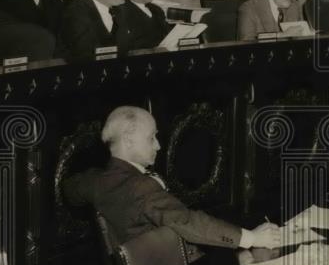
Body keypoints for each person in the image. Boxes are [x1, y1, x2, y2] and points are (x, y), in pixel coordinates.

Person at [64, 106, 281, 256]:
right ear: (129, 139)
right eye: (151, 138)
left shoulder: (95, 180)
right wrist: (251, 238)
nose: (158, 146)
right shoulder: (140, 186)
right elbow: (186, 221)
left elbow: (69, 189)